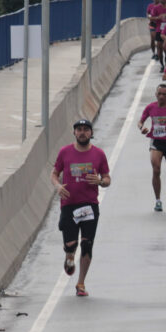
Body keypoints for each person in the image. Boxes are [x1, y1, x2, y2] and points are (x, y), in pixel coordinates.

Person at [51, 119, 111, 297]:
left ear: (91, 133)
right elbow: (54, 173)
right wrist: (58, 186)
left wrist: (100, 181)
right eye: (79, 130)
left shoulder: (99, 154)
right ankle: (69, 255)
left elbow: (107, 178)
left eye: (86, 130)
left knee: (87, 244)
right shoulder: (65, 152)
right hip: (69, 205)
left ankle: (81, 283)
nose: (82, 133)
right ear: (74, 133)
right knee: (71, 244)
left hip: (90, 206)